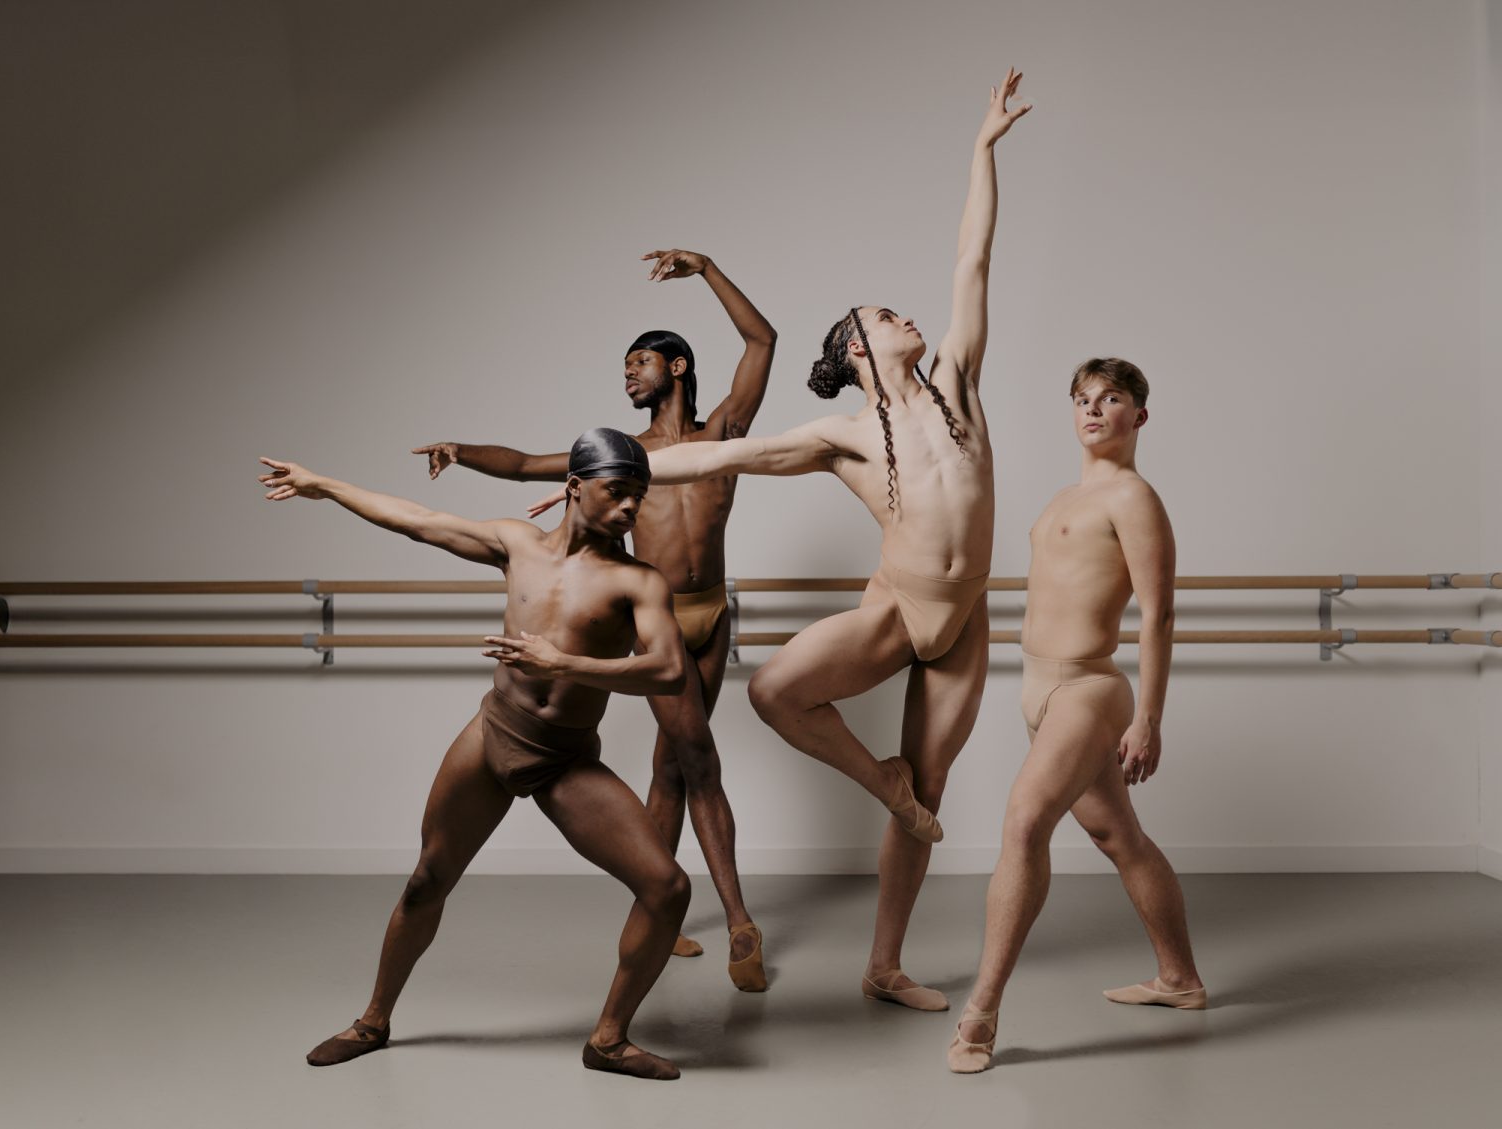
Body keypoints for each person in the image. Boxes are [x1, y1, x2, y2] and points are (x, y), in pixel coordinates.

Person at [539, 73, 1031, 1012]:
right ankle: (877, 778)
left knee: (925, 799)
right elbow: (718, 453)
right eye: (885, 317)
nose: (906, 318)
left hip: (964, 623)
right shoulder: (843, 436)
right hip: (897, 609)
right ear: (857, 351)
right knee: (772, 692)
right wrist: (589, 476)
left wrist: (983, 148)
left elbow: (974, 260)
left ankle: (885, 963)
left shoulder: (959, 385)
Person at [259, 428, 693, 1081]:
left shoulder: (637, 582)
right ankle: (374, 1019)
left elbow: (666, 670)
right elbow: (420, 521)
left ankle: (607, 1039)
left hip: (565, 759)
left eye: (640, 496)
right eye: (618, 491)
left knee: (667, 887)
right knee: (426, 879)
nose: (632, 508)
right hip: (492, 735)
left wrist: (564, 660)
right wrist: (325, 486)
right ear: (575, 488)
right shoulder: (516, 545)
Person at [414, 249, 775, 988]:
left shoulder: (725, 433)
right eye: (623, 367)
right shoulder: (624, 458)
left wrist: (706, 270)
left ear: (677, 367)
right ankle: (740, 921)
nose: (627, 375)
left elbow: (762, 341)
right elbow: (522, 466)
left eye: (639, 362)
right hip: (657, 617)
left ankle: (662, 908)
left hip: (714, 614)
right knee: (697, 758)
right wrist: (462, 450)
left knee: (672, 766)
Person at [948, 358, 1206, 1074]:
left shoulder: (1134, 498)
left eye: (1112, 399)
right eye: (1083, 399)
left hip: (1089, 689)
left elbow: (1159, 614)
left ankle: (980, 1014)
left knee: (1024, 821)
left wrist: (1148, 717)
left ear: (1139, 416)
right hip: (1037, 689)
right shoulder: (1065, 495)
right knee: (1119, 836)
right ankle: (1180, 978)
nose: (1094, 410)